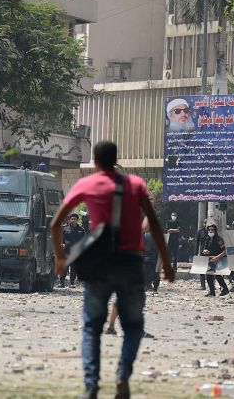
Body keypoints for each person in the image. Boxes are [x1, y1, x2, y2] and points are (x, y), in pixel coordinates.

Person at [51, 141, 174, 399]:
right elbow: (153, 224)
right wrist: (166, 263)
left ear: (95, 162)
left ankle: (91, 385)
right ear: (116, 158)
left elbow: (56, 223)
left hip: (99, 265)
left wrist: (60, 258)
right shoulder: (136, 185)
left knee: (91, 327)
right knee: (133, 326)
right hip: (131, 263)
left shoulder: (87, 184)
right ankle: (122, 374)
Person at [201, 223, 229, 297]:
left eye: (212, 230)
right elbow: (205, 248)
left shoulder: (219, 239)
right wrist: (205, 251)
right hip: (210, 259)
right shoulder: (207, 239)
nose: (210, 231)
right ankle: (212, 291)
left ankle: (225, 289)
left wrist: (218, 257)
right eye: (209, 230)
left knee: (218, 275)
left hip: (219, 259)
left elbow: (225, 251)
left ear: (215, 231)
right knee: (209, 275)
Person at [61, 213, 86, 287]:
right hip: (66, 251)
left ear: (77, 220)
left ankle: (72, 283)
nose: (73, 220)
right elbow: (62, 238)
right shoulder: (65, 228)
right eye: (72, 219)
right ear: (70, 220)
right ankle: (62, 283)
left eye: (74, 219)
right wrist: (62, 244)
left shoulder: (81, 230)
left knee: (73, 268)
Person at [195, 224, 208, 291]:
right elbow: (197, 242)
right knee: (202, 270)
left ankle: (212, 285)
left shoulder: (211, 231)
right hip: (202, 252)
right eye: (205, 223)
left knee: (211, 269)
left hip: (210, 252)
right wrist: (196, 252)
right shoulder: (200, 231)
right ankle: (203, 285)